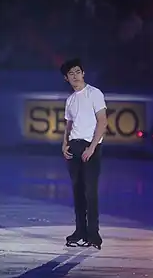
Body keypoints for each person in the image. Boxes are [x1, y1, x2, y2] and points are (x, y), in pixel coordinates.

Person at [60, 58, 107, 250]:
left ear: (83, 73)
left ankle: (93, 234)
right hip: (74, 147)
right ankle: (80, 231)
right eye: (71, 74)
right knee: (78, 192)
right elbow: (69, 125)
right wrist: (64, 144)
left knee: (90, 192)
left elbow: (102, 122)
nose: (75, 76)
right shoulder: (70, 100)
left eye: (78, 71)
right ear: (66, 78)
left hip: (91, 147)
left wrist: (92, 147)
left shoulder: (94, 94)